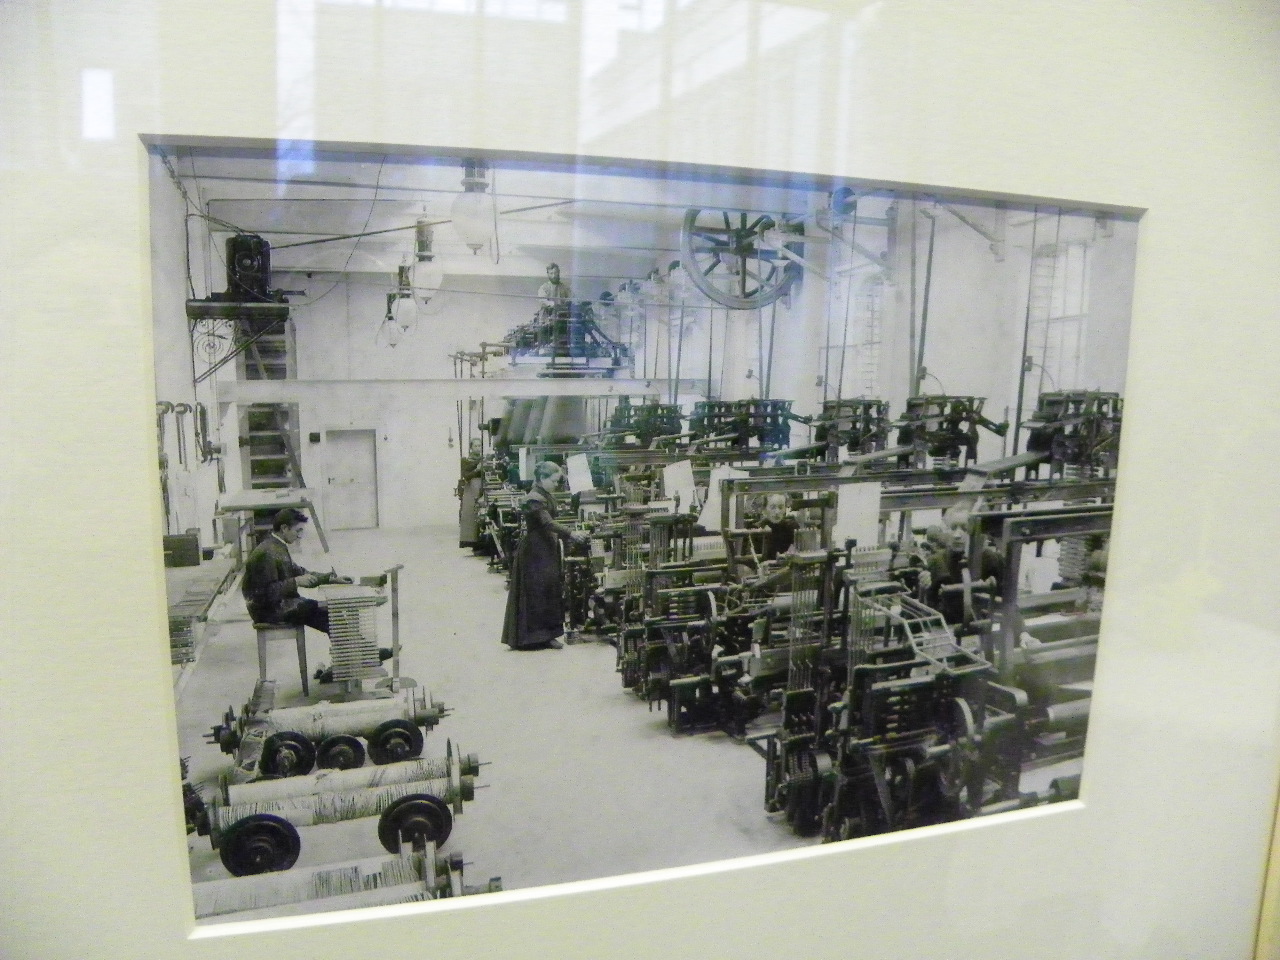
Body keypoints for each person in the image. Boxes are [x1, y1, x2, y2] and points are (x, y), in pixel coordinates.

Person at [502, 460, 588, 650]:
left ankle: (548, 635)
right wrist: (572, 533)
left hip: (546, 548)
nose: (557, 485)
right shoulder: (533, 499)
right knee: (536, 592)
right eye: (554, 481)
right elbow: (547, 523)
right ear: (542, 478)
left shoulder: (545, 495)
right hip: (535, 551)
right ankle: (532, 638)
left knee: (549, 590)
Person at [241, 508, 344, 633]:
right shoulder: (266, 552)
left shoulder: (276, 545)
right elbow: (265, 594)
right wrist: (296, 582)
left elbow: (299, 571)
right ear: (284, 528)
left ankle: (350, 641)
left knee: (331, 612)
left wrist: (330, 579)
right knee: (327, 614)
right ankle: (350, 642)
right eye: (298, 530)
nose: (299, 535)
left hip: (278, 605)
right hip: (267, 611)